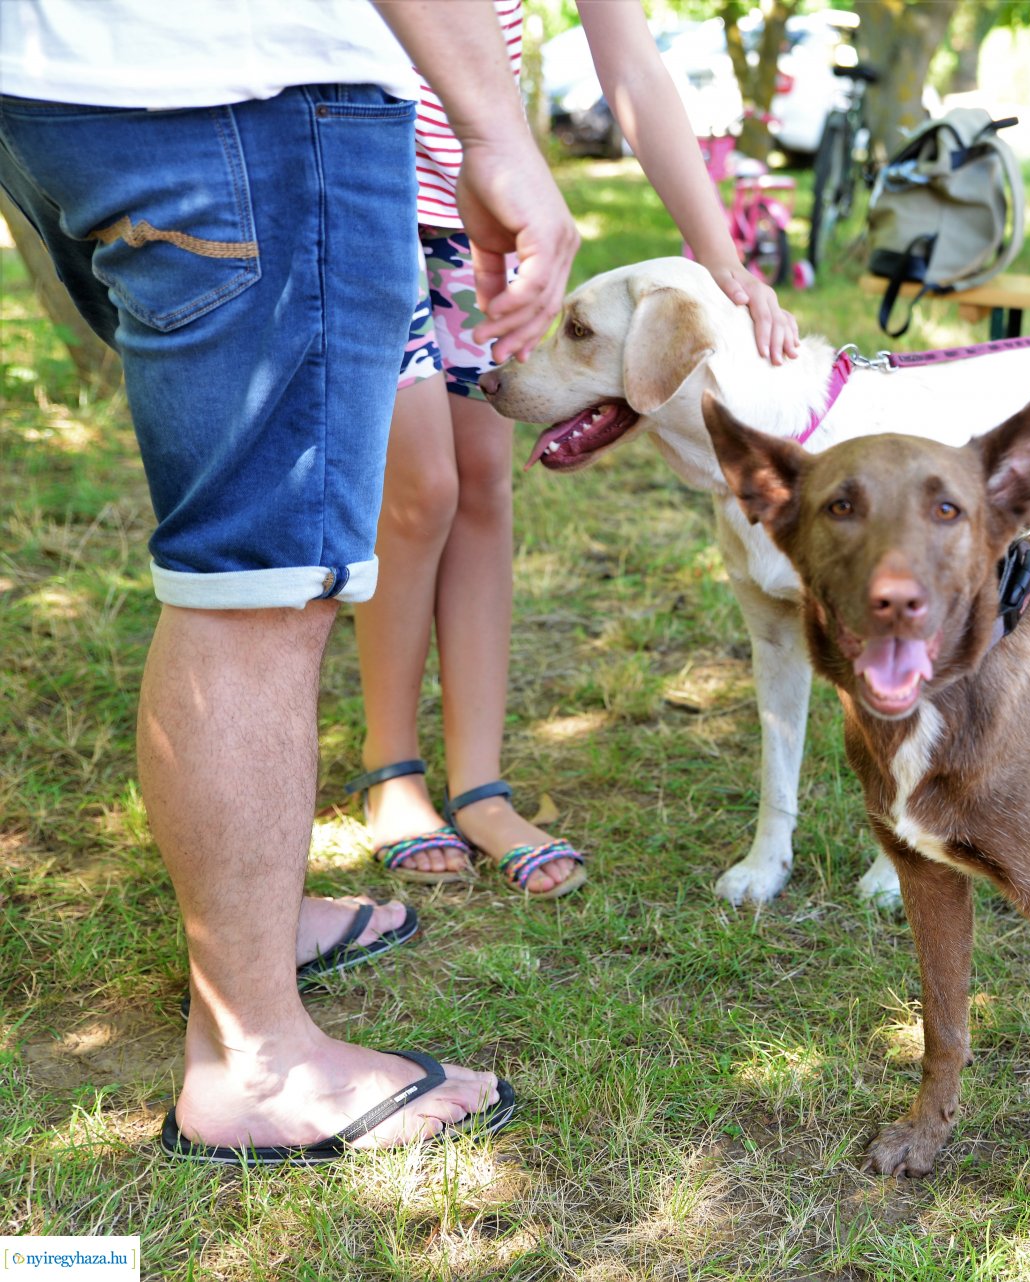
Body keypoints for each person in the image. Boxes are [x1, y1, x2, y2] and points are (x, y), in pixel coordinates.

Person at [0, 0, 576, 1158]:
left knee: (236, 548)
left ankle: (255, 934)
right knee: (260, 586)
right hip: (243, 100)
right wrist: (499, 134)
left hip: (68, 88)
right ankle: (252, 1060)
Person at [351, 1, 800, 900]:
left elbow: (631, 64)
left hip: (479, 218)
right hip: (357, 188)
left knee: (484, 484)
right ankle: (391, 770)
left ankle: (479, 787)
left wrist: (724, 264)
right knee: (422, 489)